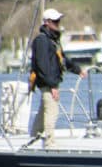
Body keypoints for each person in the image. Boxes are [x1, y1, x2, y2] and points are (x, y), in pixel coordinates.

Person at [29, 8, 85, 148]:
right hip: (47, 83)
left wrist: (77, 70)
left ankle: (34, 135)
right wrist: (52, 85)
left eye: (58, 21)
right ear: (47, 22)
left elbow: (62, 60)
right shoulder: (42, 41)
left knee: (45, 110)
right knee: (52, 110)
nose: (57, 23)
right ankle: (49, 142)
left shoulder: (53, 40)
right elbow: (43, 66)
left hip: (50, 82)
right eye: (55, 21)